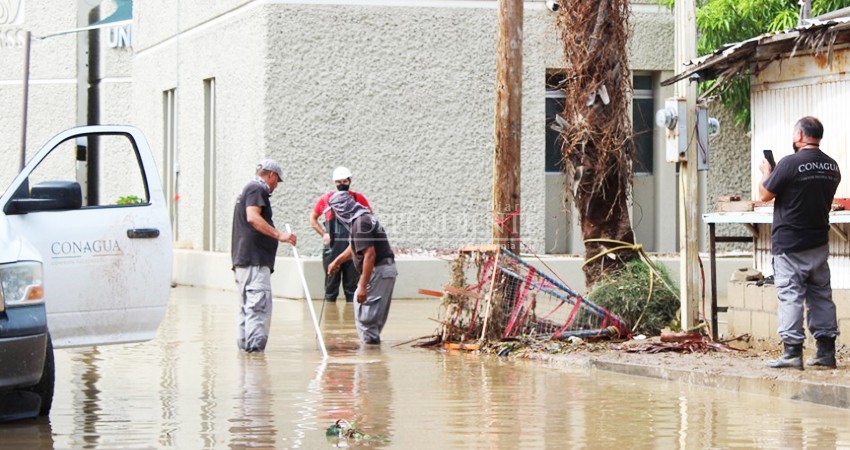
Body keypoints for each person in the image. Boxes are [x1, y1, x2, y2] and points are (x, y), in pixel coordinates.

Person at [759, 116, 841, 369]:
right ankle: (826, 354)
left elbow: (764, 195)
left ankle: (793, 353)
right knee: (821, 297)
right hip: (818, 242)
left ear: (799, 135)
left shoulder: (789, 163)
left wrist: (766, 172)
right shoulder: (832, 166)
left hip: (790, 244)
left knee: (790, 296)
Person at [231, 159, 297, 352]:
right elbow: (253, 217)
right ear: (272, 175)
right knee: (258, 308)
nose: (276, 186)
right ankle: (255, 359)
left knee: (247, 308)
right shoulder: (256, 189)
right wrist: (279, 236)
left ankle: (246, 358)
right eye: (277, 181)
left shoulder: (247, 190)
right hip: (254, 261)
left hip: (244, 260)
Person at [326, 191, 396, 345]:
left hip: (379, 270)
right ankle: (372, 355)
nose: (335, 215)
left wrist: (363, 286)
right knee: (368, 317)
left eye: (335, 211)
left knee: (366, 317)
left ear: (342, 209)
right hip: (384, 270)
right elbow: (355, 247)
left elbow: (370, 254)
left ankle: (369, 361)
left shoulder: (360, 223)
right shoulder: (362, 219)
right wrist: (337, 261)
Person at [309, 166, 372, 303]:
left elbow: (370, 217)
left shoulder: (358, 198)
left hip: (353, 249)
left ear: (350, 181)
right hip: (331, 249)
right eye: (338, 182)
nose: (341, 184)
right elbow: (312, 218)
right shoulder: (326, 199)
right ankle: (330, 321)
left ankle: (351, 320)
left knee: (352, 288)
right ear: (334, 182)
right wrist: (323, 233)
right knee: (330, 289)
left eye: (344, 181)